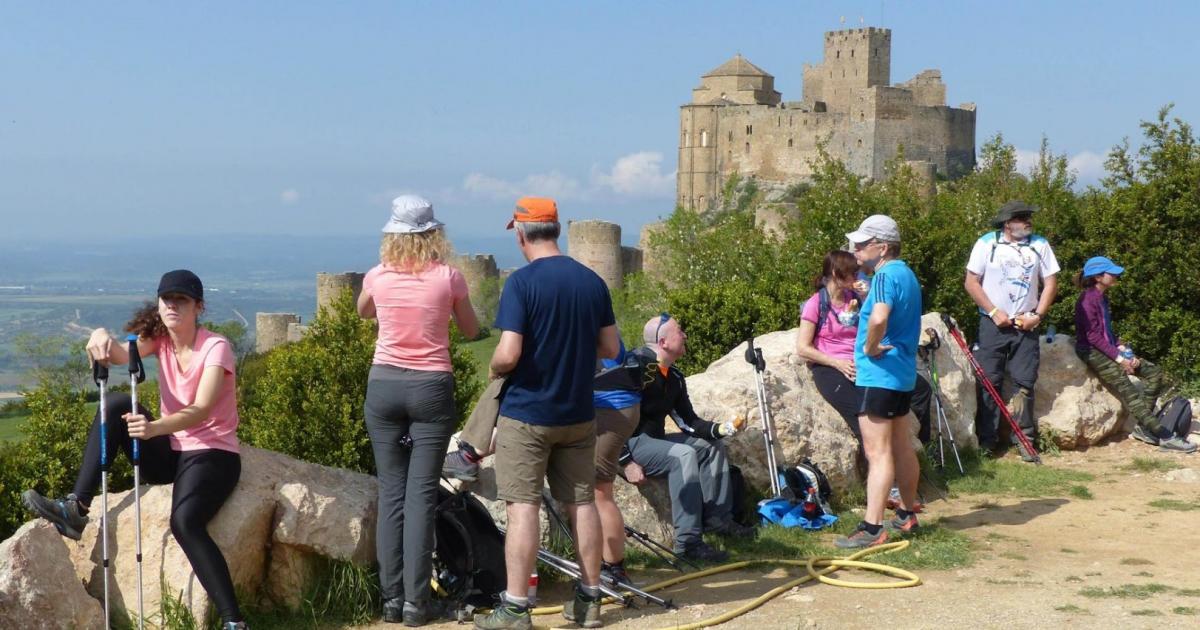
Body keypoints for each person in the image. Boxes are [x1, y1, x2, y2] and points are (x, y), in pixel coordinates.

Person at [23, 270, 248, 629]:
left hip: (212, 452)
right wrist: (98, 336)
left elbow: (203, 407)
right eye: (167, 299)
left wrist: (155, 427)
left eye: (182, 300)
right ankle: (76, 508)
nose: (173, 305)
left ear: (198, 307)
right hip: (173, 451)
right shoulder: (159, 339)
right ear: (159, 304)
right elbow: (116, 353)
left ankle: (234, 622)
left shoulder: (215, 347)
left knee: (185, 522)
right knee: (113, 405)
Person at [474, 197, 620, 630]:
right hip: (577, 413)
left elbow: (508, 353)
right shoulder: (592, 282)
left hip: (528, 413)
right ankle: (590, 600)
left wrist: (496, 367)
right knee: (582, 503)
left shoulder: (522, 283)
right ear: (556, 230)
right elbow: (611, 349)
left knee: (523, 508)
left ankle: (516, 609)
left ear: (521, 234)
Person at [357, 195, 480, 625]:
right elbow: (471, 328)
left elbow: (362, 311)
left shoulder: (377, 276)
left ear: (392, 234)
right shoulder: (449, 278)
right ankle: (415, 603)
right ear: (434, 235)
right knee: (421, 495)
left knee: (391, 493)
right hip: (431, 385)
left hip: (385, 384)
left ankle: (389, 601)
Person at [443, 338, 643, 587]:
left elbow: (510, 357)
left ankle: (612, 572)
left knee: (597, 494)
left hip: (604, 404)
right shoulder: (585, 306)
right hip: (617, 403)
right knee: (598, 493)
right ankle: (609, 571)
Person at [619, 314, 753, 563]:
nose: (685, 336)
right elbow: (609, 418)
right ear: (663, 342)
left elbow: (688, 422)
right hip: (628, 444)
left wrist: (720, 429)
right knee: (684, 455)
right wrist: (626, 461)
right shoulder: (635, 368)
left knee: (710, 447)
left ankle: (718, 521)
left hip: (653, 443)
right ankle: (687, 543)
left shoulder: (674, 377)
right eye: (679, 331)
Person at [835, 215, 923, 549]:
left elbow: (880, 316)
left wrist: (870, 346)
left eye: (861, 243)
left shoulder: (885, 275)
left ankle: (872, 527)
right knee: (901, 445)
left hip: (879, 373)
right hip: (901, 372)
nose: (854, 249)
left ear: (882, 247)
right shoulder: (906, 274)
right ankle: (906, 514)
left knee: (877, 451)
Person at [795, 251, 934, 446]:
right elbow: (802, 348)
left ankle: (922, 445)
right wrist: (837, 363)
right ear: (836, 273)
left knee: (920, 389)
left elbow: (877, 317)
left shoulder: (857, 298)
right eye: (851, 273)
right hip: (833, 365)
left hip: (863, 360)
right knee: (864, 422)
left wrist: (867, 296)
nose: (856, 277)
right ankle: (878, 470)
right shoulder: (816, 304)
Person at [964, 201, 1060, 460]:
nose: (1028, 221)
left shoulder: (1039, 245)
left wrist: (1037, 316)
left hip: (1025, 325)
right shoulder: (987, 243)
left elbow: (1051, 282)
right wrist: (994, 312)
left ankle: (1025, 440)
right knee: (989, 381)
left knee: (1024, 382)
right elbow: (971, 282)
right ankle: (987, 441)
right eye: (1021, 218)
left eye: (1029, 217)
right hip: (991, 324)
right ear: (1007, 223)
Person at [1073, 256, 1195, 453]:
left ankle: (1144, 427)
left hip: (1109, 349)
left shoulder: (1102, 297)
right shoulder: (1087, 300)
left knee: (1154, 372)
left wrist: (1122, 348)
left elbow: (1106, 331)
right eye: (1111, 272)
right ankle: (1164, 435)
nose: (1116, 275)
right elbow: (1093, 336)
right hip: (1091, 351)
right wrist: (1120, 360)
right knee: (1129, 390)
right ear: (1097, 276)